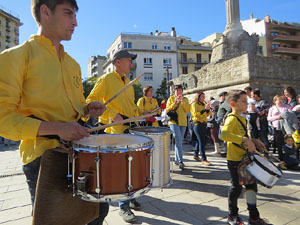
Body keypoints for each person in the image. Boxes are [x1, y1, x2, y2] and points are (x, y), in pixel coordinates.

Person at [0, 0, 108, 224]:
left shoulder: (72, 65)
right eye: (68, 13)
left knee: (97, 214)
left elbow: (75, 111)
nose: (75, 22)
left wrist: (87, 109)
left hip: (80, 154)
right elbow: (3, 120)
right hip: (44, 158)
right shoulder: (15, 57)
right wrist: (58, 128)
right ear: (45, 11)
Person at [86, 49, 141, 223]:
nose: (131, 64)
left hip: (128, 131)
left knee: (132, 168)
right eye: (128, 61)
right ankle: (123, 206)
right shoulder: (106, 79)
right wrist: (110, 113)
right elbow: (90, 101)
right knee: (123, 171)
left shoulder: (129, 83)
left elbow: (131, 107)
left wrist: (139, 118)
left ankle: (129, 197)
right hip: (112, 133)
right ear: (117, 62)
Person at [221, 90, 270, 225]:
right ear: (233, 104)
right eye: (243, 101)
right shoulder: (231, 118)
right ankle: (232, 215)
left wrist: (253, 140)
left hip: (245, 159)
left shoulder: (242, 117)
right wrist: (243, 139)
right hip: (235, 160)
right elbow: (224, 135)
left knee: (251, 188)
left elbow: (244, 136)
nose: (247, 103)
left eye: (246, 101)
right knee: (236, 188)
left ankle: (253, 217)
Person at [166, 84, 190, 169]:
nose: (178, 92)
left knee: (179, 141)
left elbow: (187, 110)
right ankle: (181, 161)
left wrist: (182, 102)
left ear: (182, 91)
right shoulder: (171, 99)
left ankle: (176, 159)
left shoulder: (185, 99)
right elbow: (167, 110)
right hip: (173, 122)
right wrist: (175, 103)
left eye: (180, 90)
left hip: (183, 122)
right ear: (174, 91)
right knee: (178, 139)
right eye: (176, 90)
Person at [190, 92, 212, 165]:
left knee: (199, 141)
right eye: (202, 97)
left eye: (204, 97)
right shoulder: (194, 104)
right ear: (198, 97)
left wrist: (208, 109)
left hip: (203, 123)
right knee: (202, 141)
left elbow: (208, 114)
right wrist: (204, 110)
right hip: (197, 123)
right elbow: (195, 114)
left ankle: (196, 154)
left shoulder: (203, 105)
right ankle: (204, 159)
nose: (203, 98)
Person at [267, 95, 291, 161]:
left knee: (287, 141)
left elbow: (291, 114)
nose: (280, 101)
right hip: (277, 126)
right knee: (279, 142)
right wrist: (277, 117)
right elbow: (269, 118)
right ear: (275, 101)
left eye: (281, 99)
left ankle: (287, 156)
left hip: (286, 126)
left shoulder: (286, 107)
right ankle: (280, 156)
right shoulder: (272, 108)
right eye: (278, 99)